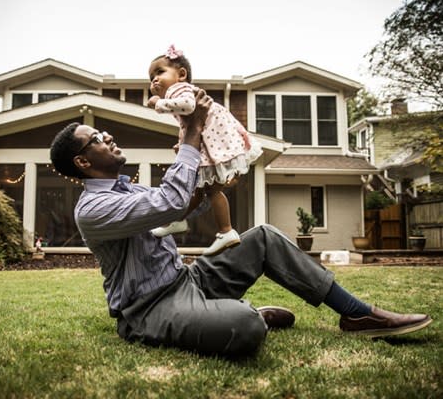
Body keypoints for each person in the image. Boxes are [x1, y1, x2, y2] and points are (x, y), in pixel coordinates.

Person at [49, 89, 432, 358]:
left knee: (263, 236)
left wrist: (209, 176)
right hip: (149, 309)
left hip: (187, 280)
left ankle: (356, 313)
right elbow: (169, 202)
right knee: (245, 327)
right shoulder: (94, 209)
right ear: (83, 162)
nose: (108, 136)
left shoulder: (127, 192)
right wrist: (193, 134)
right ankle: (251, 314)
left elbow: (181, 210)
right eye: (97, 137)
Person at [147, 45, 263, 256]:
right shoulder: (177, 90)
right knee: (198, 191)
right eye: (151, 77)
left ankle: (226, 231)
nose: (154, 79)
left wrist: (159, 103)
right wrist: (182, 145)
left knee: (211, 191)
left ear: (181, 74)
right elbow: (188, 124)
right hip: (210, 139)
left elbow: (189, 106)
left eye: (160, 72)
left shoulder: (179, 89)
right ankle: (178, 220)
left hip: (215, 141)